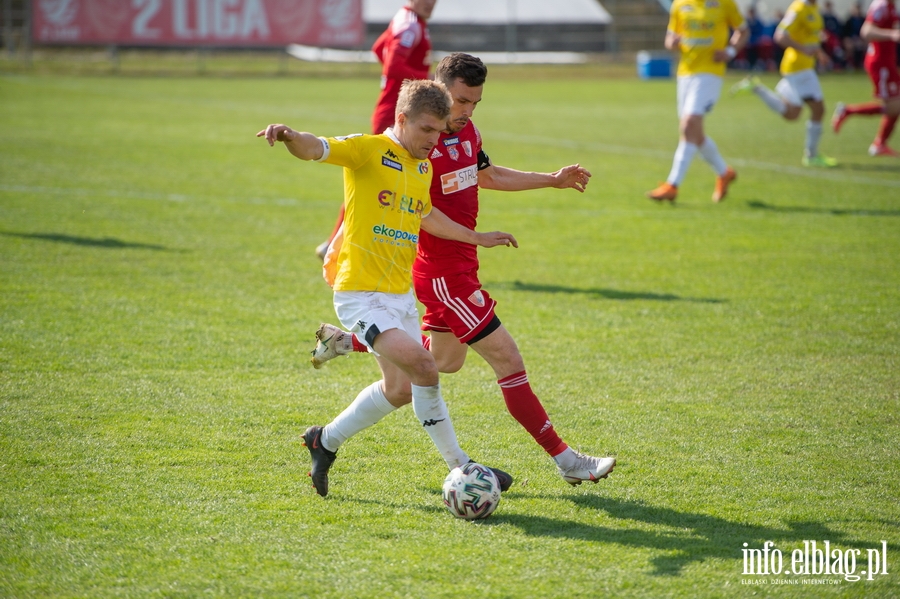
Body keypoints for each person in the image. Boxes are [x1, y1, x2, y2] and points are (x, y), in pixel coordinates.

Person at [311, 53, 616, 487]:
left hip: (461, 266)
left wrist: (551, 178)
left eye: (474, 103)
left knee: (442, 362)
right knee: (507, 359)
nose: (466, 112)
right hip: (441, 273)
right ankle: (568, 462)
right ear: (436, 93)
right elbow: (396, 199)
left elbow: (487, 175)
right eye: (459, 101)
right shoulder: (419, 143)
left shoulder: (466, 131)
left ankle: (350, 344)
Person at [257, 79, 518, 498]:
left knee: (398, 390)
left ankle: (323, 441)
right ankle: (463, 466)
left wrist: (476, 237)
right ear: (402, 119)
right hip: (360, 294)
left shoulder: (422, 165)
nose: (435, 140)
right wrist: (288, 135)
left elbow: (427, 215)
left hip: (399, 298)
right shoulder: (368, 149)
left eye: (439, 131)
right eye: (427, 130)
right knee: (426, 367)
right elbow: (315, 147)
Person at [315, 0, 437, 261]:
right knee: (375, 179)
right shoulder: (410, 25)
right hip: (399, 116)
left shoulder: (407, 20)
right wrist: (426, 83)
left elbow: (378, 47)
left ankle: (333, 242)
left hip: (397, 111)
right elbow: (392, 66)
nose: (430, 3)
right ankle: (336, 242)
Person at [645, 0, 749, 204]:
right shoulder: (680, 4)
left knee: (688, 125)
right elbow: (670, 36)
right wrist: (672, 42)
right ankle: (724, 172)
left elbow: (743, 31)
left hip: (710, 73)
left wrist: (730, 51)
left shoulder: (724, 3)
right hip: (685, 74)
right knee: (695, 134)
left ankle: (672, 185)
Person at [730, 0, 838, 168]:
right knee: (819, 109)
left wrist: (819, 53)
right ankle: (811, 155)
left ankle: (756, 87)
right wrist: (804, 50)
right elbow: (780, 36)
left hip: (803, 67)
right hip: (799, 68)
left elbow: (810, 38)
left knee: (792, 114)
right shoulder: (799, 9)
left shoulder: (814, 8)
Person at [832, 0, 900, 157]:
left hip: (888, 62)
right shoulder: (881, 5)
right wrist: (892, 34)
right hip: (879, 63)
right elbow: (866, 31)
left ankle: (879, 144)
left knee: (896, 105)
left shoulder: (891, 5)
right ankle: (847, 111)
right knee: (893, 106)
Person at [843, 1, 868, 70]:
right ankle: (850, 63)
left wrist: (861, 39)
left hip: (860, 39)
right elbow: (845, 33)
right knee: (849, 45)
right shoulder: (849, 20)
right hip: (851, 39)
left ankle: (864, 62)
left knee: (866, 45)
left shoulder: (863, 20)